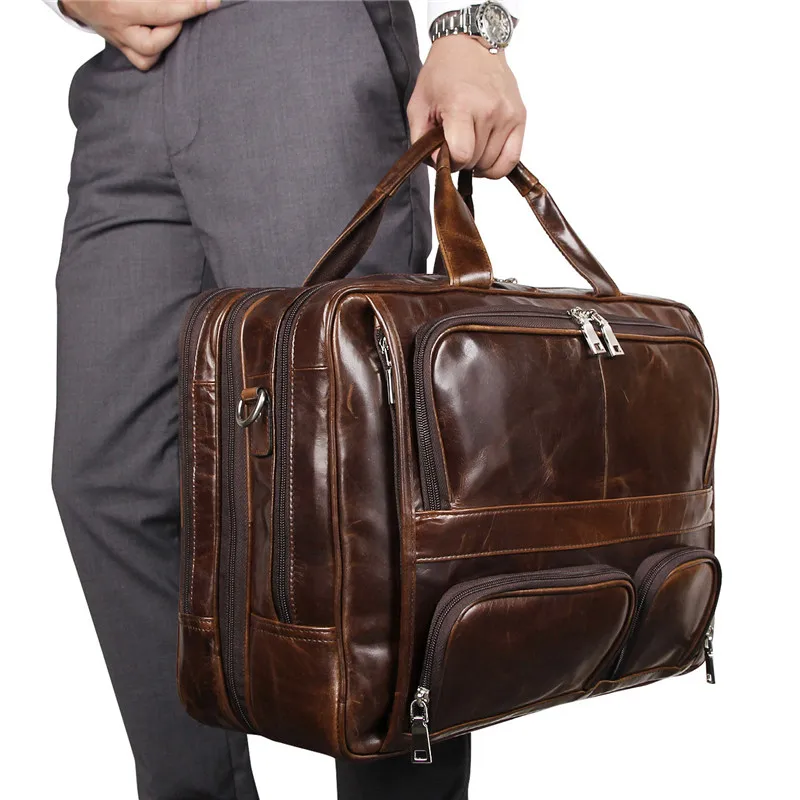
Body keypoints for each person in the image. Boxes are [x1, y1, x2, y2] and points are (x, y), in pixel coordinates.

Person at [46, 1, 526, 798]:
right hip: (125, 82)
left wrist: (472, 29)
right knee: (109, 480)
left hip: (298, 45)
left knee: (362, 492)